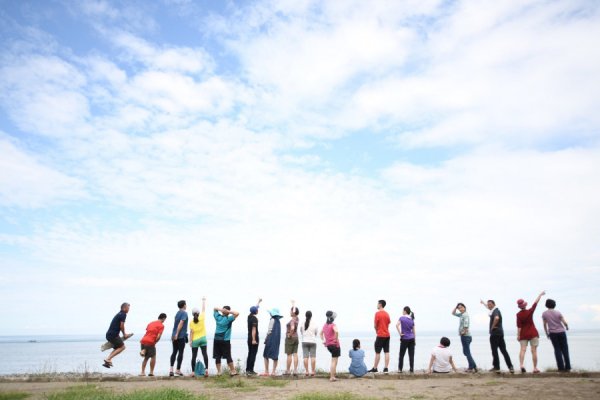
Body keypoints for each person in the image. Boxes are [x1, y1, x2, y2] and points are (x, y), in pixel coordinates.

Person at [481, 299, 514, 373]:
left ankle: (496, 366)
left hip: (495, 334)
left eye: (490, 304)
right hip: (500, 333)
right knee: (504, 350)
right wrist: (483, 303)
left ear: (494, 304)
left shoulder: (495, 311)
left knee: (494, 351)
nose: (488, 305)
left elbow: (496, 318)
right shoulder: (494, 310)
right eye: (488, 304)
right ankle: (510, 367)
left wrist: (492, 327)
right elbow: (488, 307)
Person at [516, 290, 546, 373]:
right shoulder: (530, 311)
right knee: (534, 351)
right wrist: (540, 294)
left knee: (522, 350)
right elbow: (535, 303)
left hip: (523, 334)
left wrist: (518, 335)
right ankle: (535, 368)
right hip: (533, 333)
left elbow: (519, 326)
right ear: (525, 305)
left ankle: (521, 365)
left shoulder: (518, 315)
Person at [542, 298, 571, 372]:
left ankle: (560, 368)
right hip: (561, 332)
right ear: (554, 305)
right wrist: (566, 326)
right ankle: (567, 367)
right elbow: (564, 322)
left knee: (557, 349)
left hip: (552, 333)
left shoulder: (544, 314)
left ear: (546, 305)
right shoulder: (558, 312)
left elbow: (545, 324)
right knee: (565, 349)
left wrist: (546, 333)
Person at [103, 302, 132, 368]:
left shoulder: (119, 314)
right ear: (124, 308)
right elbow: (122, 325)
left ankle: (108, 360)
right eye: (128, 308)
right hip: (113, 335)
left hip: (109, 335)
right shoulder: (123, 314)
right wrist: (124, 334)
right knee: (122, 347)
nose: (129, 310)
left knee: (117, 348)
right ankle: (108, 359)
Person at [213, 305, 240, 376]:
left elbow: (215, 308)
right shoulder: (229, 319)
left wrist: (221, 309)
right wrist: (228, 311)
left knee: (217, 356)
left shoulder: (217, 317)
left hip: (216, 339)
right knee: (228, 356)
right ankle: (233, 371)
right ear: (228, 312)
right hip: (225, 340)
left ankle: (219, 372)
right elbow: (237, 313)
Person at [452, 303, 477, 372]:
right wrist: (456, 307)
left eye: (461, 307)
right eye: (459, 308)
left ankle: (471, 367)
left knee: (467, 352)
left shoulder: (465, 315)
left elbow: (466, 325)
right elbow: (453, 313)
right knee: (466, 352)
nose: (460, 309)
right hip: (465, 336)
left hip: (465, 336)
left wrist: (463, 332)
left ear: (464, 307)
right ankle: (474, 366)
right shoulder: (461, 315)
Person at [368, 300, 391, 374]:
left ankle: (375, 368)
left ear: (380, 304)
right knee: (386, 351)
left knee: (378, 352)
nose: (377, 305)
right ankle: (386, 368)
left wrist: (377, 331)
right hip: (387, 335)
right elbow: (388, 323)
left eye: (378, 304)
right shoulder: (387, 314)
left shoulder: (377, 314)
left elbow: (375, 325)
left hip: (380, 335)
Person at [190, 297, 209, 377]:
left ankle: (193, 372)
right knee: (205, 354)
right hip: (203, 339)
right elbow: (203, 309)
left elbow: (191, 332)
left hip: (195, 340)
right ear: (198, 313)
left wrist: (190, 341)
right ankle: (206, 370)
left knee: (194, 356)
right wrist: (204, 301)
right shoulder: (202, 317)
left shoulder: (191, 322)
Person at [320, 310, 340, 382]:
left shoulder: (325, 325)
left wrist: (324, 341)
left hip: (329, 345)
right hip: (335, 345)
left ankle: (333, 375)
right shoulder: (333, 325)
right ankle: (332, 377)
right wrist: (336, 339)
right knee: (334, 361)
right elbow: (336, 331)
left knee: (334, 360)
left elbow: (320, 334)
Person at [170, 300, 188, 377]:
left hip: (174, 335)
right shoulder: (184, 313)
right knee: (180, 352)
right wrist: (177, 333)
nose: (186, 305)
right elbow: (181, 323)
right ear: (184, 305)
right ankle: (177, 370)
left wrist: (174, 334)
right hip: (180, 336)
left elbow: (175, 324)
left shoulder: (177, 313)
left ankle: (171, 370)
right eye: (186, 304)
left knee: (174, 352)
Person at [262, 308, 283, 376]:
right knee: (275, 356)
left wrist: (266, 338)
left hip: (270, 339)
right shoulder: (278, 321)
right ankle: (273, 371)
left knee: (265, 355)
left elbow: (269, 330)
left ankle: (266, 371)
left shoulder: (272, 320)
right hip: (277, 340)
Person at [396, 306, 416, 373]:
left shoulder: (402, 318)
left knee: (401, 355)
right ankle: (411, 369)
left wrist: (400, 334)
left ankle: (400, 369)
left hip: (404, 338)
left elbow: (396, 325)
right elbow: (413, 331)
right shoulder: (411, 319)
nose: (402, 312)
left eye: (403, 310)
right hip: (411, 339)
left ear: (405, 311)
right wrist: (414, 340)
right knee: (411, 355)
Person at [246, 298, 262, 375]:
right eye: (257, 310)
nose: (258, 310)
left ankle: (248, 370)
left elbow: (255, 308)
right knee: (253, 354)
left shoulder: (249, 316)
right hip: (253, 338)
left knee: (250, 353)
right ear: (255, 312)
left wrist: (258, 302)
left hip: (248, 337)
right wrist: (254, 339)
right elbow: (254, 329)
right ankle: (251, 370)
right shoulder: (254, 319)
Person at [300, 310, 318, 377]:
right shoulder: (314, 323)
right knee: (313, 357)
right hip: (313, 341)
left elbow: (301, 332)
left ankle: (307, 371)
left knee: (305, 357)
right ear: (311, 316)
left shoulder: (302, 323)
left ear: (305, 316)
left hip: (304, 341)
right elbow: (316, 333)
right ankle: (313, 371)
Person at [284, 300, 300, 376]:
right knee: (295, 354)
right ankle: (295, 370)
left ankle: (288, 370)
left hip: (291, 338)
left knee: (289, 354)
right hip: (296, 337)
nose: (290, 312)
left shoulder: (293, 320)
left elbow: (292, 328)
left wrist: (289, 334)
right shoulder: (297, 318)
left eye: (291, 311)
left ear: (293, 312)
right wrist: (293, 304)